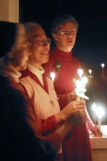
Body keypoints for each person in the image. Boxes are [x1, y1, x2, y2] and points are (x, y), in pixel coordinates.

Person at [0, 21, 87, 161]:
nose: (28, 51)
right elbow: (39, 150)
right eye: (26, 45)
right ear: (10, 52)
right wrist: (69, 123)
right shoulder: (11, 94)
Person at [20, 22, 87, 161]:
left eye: (47, 42)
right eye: (41, 42)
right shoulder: (23, 82)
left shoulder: (47, 81)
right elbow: (29, 130)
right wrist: (64, 114)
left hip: (55, 148)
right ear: (26, 46)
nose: (47, 46)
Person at [43, 14, 101, 161]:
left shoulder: (76, 63)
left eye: (73, 32)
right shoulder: (48, 61)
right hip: (62, 125)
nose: (70, 36)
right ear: (54, 36)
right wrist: (65, 98)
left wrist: (89, 123)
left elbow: (80, 97)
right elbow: (43, 99)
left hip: (79, 124)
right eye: (64, 32)